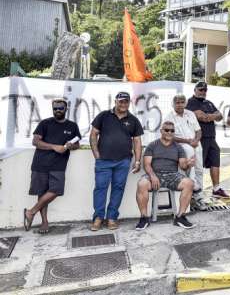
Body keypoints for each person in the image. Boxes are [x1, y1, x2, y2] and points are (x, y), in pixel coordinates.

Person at [23, 99, 81, 234]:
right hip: (40, 163)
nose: (57, 111)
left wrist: (71, 146)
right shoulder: (45, 123)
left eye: (60, 108)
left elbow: (77, 144)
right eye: (55, 108)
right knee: (42, 193)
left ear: (66, 109)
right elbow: (35, 141)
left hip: (59, 165)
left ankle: (31, 212)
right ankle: (44, 222)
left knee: (56, 190)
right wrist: (54, 147)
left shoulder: (72, 126)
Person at [89, 91, 143, 231]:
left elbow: (137, 141)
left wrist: (137, 161)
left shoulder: (133, 120)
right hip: (104, 161)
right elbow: (93, 134)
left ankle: (112, 218)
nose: (123, 104)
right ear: (115, 101)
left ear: (129, 103)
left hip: (123, 161)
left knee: (118, 189)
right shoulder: (104, 116)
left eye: (126, 101)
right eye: (121, 101)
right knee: (100, 188)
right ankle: (98, 218)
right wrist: (96, 154)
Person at [134, 121, 196, 230]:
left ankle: (180, 217)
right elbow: (147, 165)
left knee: (189, 183)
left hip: (172, 175)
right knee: (142, 184)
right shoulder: (152, 145)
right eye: (166, 130)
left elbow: (183, 166)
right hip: (155, 174)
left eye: (172, 131)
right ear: (161, 131)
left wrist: (188, 164)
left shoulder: (178, 147)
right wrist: (152, 176)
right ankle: (144, 218)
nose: (169, 132)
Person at [186, 81, 230, 199]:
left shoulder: (208, 103)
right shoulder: (190, 102)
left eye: (205, 90)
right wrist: (211, 116)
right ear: (195, 90)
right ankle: (195, 193)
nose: (203, 92)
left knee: (215, 163)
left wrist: (211, 116)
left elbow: (220, 115)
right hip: (199, 139)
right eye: (201, 90)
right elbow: (202, 117)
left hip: (211, 138)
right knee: (198, 167)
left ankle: (216, 189)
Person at [165, 95, 208, 211]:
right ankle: (193, 197)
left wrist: (196, 140)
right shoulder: (169, 117)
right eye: (177, 102)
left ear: (185, 103)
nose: (179, 104)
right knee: (189, 170)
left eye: (182, 102)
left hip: (196, 145)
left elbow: (198, 130)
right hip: (182, 146)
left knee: (199, 170)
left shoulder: (190, 114)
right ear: (173, 104)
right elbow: (169, 136)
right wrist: (188, 141)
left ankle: (199, 198)